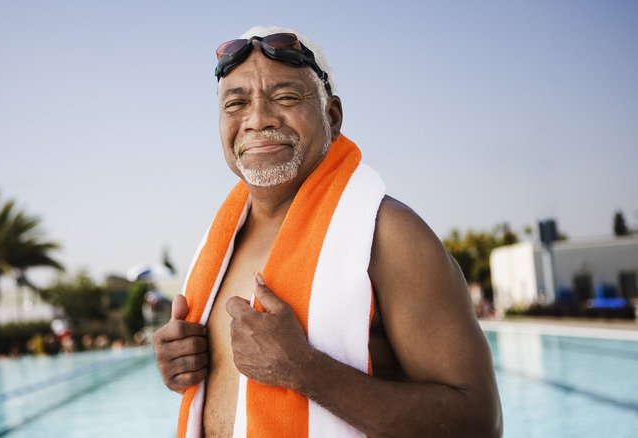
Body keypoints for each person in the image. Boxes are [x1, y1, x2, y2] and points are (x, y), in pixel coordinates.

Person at [153, 25, 502, 437]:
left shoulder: (388, 235)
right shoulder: (219, 245)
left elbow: (480, 422)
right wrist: (180, 361)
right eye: (236, 103)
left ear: (332, 117)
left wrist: (304, 370)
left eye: (284, 97)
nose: (258, 119)